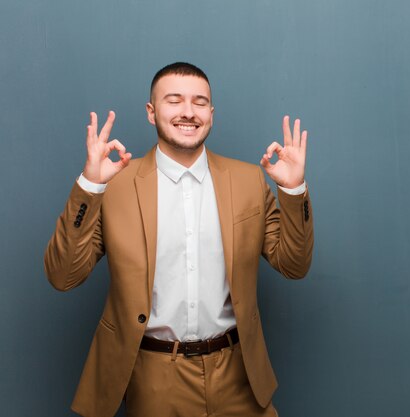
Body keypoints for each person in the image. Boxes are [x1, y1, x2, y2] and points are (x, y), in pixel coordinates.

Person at [44, 62, 313, 417]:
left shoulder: (249, 180)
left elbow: (294, 266)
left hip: (239, 375)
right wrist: (90, 186)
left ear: (211, 114)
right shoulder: (114, 186)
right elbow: (64, 277)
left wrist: (293, 190)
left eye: (199, 102)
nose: (188, 112)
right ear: (151, 113)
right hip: (154, 379)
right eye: (174, 101)